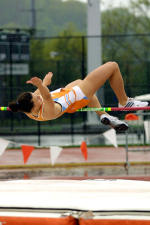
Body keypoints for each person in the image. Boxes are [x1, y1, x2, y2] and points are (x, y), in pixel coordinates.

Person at [9, 61, 148, 132]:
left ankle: (104, 116)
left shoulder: (27, 108)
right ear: (34, 106)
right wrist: (40, 85)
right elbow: (45, 95)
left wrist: (45, 81)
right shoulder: (47, 111)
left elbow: (38, 95)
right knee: (112, 66)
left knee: (79, 82)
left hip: (70, 102)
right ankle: (124, 102)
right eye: (36, 99)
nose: (37, 96)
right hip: (78, 95)